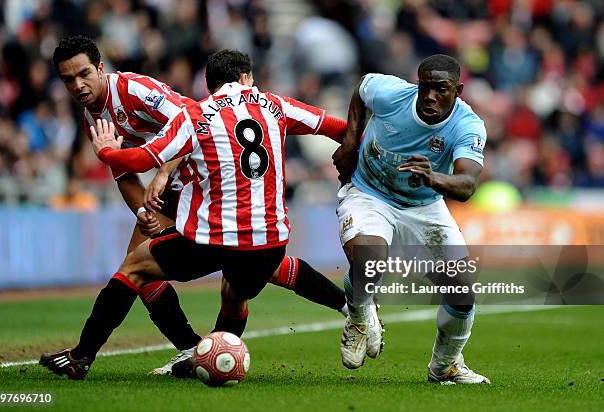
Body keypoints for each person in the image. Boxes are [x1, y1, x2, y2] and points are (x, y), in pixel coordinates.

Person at [42, 47, 348, 380]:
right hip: (175, 193)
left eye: (83, 74)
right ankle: (192, 349)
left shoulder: (133, 90)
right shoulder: (93, 118)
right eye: (68, 79)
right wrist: (145, 212)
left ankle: (96, 355)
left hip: (201, 184)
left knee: (158, 268)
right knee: (145, 269)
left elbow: (191, 115)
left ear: (100, 68)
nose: (77, 85)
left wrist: (161, 170)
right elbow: (124, 177)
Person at [333, 54, 490, 384]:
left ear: (458, 90)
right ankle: (360, 316)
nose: (431, 97)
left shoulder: (468, 125)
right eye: (425, 88)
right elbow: (361, 89)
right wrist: (351, 139)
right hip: (369, 194)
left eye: (441, 90)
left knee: (461, 293)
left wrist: (434, 179)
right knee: (368, 258)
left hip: (424, 207)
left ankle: (445, 366)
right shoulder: (391, 94)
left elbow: (467, 184)